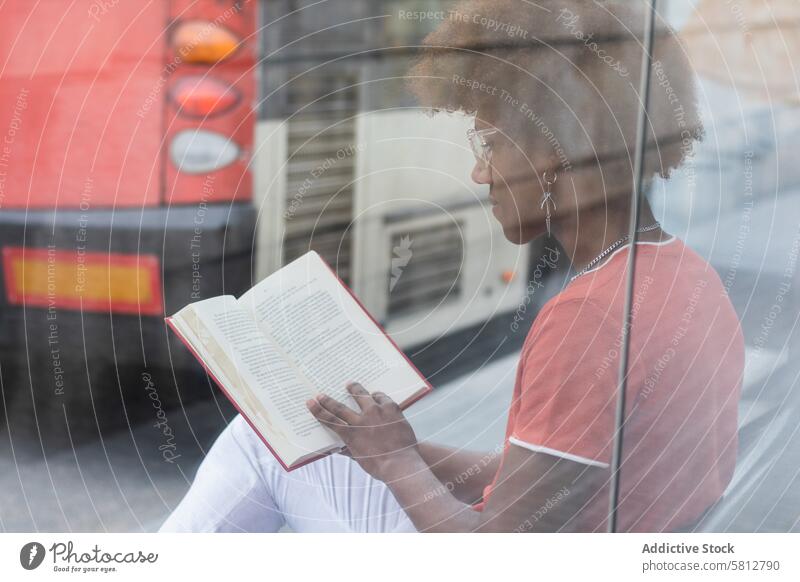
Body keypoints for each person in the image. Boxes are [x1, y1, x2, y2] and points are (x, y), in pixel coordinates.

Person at [160, 0, 743, 533]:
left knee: (255, 443)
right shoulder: (687, 277)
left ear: (558, 151)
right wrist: (391, 444)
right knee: (281, 440)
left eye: (489, 144)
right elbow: (534, 477)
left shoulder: (590, 317)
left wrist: (393, 460)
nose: (479, 173)